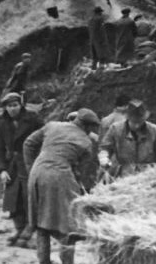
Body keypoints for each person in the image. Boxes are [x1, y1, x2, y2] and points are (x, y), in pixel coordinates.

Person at [24, 109, 101, 264]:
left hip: (36, 173)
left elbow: (28, 143)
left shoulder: (52, 126)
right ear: (87, 127)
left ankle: (43, 261)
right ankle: (67, 261)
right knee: (67, 224)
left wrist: (32, 167)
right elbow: (80, 171)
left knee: (41, 223)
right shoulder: (86, 143)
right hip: (60, 178)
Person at [0, 92, 44, 248]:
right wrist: (1, 169)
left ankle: (30, 231)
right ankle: (19, 229)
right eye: (9, 106)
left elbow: (44, 139)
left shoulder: (33, 118)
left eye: (15, 105)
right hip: (12, 165)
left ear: (21, 105)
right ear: (5, 108)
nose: (12, 109)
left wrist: (39, 161)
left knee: (30, 198)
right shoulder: (2, 123)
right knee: (13, 200)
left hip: (30, 163)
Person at [99, 99, 156, 178]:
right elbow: (104, 147)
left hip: (149, 174)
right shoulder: (116, 129)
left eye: (140, 122)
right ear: (128, 118)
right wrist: (104, 157)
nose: (137, 126)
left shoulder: (155, 131)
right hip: (124, 175)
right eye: (134, 122)